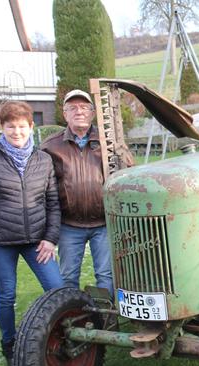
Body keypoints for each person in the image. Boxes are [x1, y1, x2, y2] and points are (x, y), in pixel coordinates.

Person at [0, 101, 64, 366]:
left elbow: (53, 203)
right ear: (2, 127)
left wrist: (50, 238)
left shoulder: (43, 160)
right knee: (6, 296)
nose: (17, 132)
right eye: (10, 127)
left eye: (22, 126)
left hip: (37, 241)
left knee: (57, 289)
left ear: (31, 127)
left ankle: (60, 337)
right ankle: (9, 344)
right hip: (0, 242)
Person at [41, 90, 122, 297]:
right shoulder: (51, 145)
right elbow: (43, 185)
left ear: (93, 113)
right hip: (69, 225)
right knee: (68, 276)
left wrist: (122, 150)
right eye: (73, 108)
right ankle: (73, 320)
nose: (79, 111)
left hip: (103, 223)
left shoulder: (108, 141)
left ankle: (105, 322)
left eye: (84, 107)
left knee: (105, 275)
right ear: (65, 114)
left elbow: (126, 172)